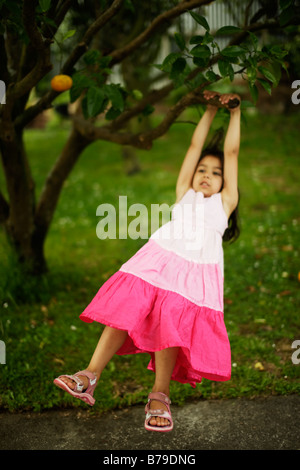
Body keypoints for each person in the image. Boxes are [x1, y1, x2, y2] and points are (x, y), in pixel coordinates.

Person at [54, 90, 241, 433]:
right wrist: (210, 110)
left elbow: (231, 151)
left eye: (215, 173)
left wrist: (235, 114)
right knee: (125, 308)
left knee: (171, 328)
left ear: (226, 183)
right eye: (202, 169)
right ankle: (89, 374)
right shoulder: (185, 194)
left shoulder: (223, 204)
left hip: (194, 276)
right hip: (158, 260)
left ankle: (160, 395)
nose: (206, 175)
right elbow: (192, 148)